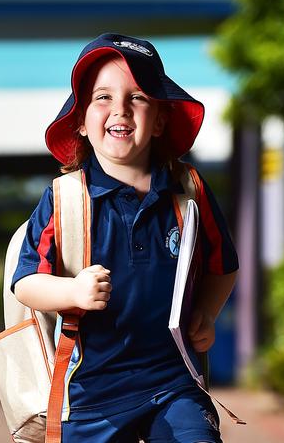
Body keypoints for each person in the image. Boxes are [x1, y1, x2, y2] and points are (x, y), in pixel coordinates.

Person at [12, 33, 238, 442]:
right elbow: (26, 283)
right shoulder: (64, 199)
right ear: (80, 120)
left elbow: (223, 267)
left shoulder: (189, 191)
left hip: (174, 383)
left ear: (161, 120)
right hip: (89, 394)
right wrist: (73, 291)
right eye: (103, 97)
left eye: (138, 98)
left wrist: (206, 312)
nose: (121, 109)